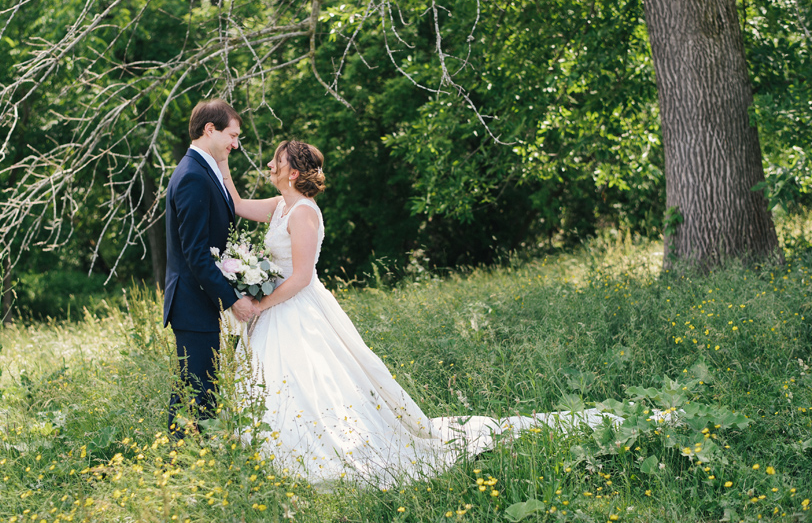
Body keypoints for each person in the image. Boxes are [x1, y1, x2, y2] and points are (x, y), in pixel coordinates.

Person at [218, 140, 617, 488]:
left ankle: (319, 446)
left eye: (277, 160)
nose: (270, 165)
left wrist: (259, 304)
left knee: (313, 378)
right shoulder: (279, 207)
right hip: (276, 310)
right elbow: (235, 204)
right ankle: (265, 443)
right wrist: (220, 157)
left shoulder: (304, 211)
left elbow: (302, 276)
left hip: (297, 307)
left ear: (295, 171)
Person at [163, 99, 259, 437]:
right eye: (232, 135)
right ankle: (179, 463)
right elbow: (196, 253)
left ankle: (183, 461)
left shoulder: (205, 170)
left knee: (196, 389)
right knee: (197, 392)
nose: (235, 144)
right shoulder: (192, 175)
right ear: (209, 129)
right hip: (192, 302)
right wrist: (233, 299)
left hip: (199, 302)